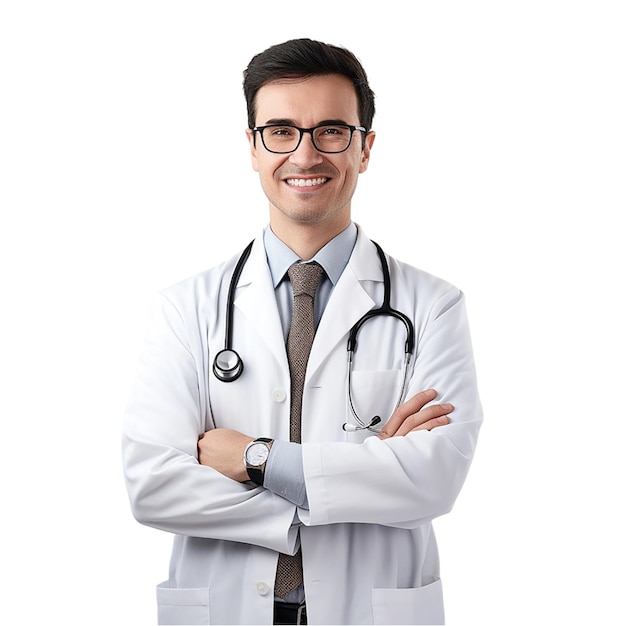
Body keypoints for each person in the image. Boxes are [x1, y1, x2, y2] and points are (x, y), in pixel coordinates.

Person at [122, 38, 482, 625]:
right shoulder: (186, 308)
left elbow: (433, 479)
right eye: (282, 131)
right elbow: (153, 485)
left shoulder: (433, 306)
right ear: (254, 147)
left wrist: (256, 459)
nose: (306, 154)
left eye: (332, 131)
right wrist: (354, 482)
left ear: (365, 149)